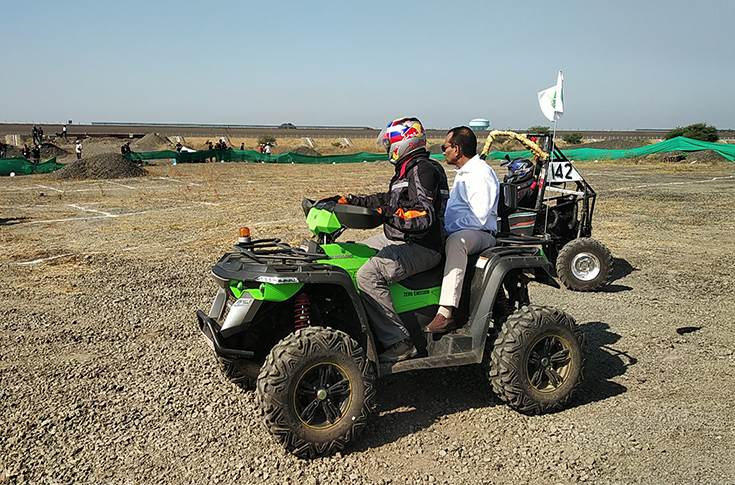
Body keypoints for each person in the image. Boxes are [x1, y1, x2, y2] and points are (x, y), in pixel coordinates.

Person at [344, 117, 449, 362]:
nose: (387, 148)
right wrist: (349, 201)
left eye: (389, 142)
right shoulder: (407, 169)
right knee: (350, 252)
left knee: (368, 274)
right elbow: (387, 201)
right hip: (401, 238)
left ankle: (398, 342)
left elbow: (423, 216)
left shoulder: (423, 170)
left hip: (423, 245)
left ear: (405, 141)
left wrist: (386, 214)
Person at [425, 126, 500, 333]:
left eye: (445, 147)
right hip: (464, 229)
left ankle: (445, 311)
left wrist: (446, 228)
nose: (443, 151)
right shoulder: (464, 173)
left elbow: (480, 216)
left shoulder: (480, 173)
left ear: (457, 149)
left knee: (456, 243)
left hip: (481, 233)